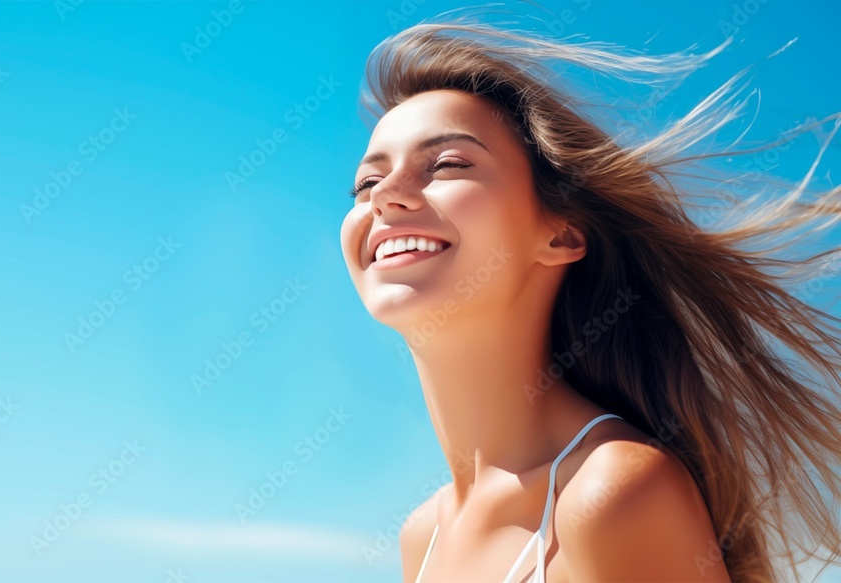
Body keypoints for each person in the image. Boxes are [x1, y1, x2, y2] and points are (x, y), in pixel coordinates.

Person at [339, 7, 841, 583]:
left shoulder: (613, 493)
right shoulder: (422, 537)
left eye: (448, 163)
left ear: (561, 233)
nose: (387, 197)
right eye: (367, 182)